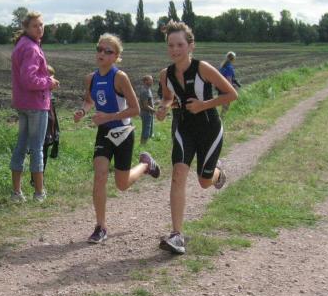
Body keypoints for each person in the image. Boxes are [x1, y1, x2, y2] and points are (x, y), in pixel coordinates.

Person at [155, 21, 237, 255]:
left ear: (191, 46)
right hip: (183, 128)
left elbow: (231, 94)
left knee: (204, 181)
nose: (174, 50)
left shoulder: (203, 68)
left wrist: (203, 105)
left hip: (209, 129)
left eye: (180, 45)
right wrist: (163, 107)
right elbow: (168, 97)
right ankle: (177, 235)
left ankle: (218, 174)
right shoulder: (165, 74)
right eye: (171, 45)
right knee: (178, 174)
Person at [74, 34, 160, 244]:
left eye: (108, 51)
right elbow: (89, 101)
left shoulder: (120, 77)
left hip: (123, 132)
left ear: (116, 56)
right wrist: (82, 111)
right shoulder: (91, 78)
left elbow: (136, 109)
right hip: (104, 133)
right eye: (99, 49)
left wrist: (108, 116)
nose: (101, 53)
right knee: (100, 175)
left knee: (122, 184)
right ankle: (100, 226)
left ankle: (145, 165)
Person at [9, 11, 59, 202]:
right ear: (26, 28)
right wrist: (49, 82)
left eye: (41, 25)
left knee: (21, 146)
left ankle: (16, 192)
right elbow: (29, 79)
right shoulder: (31, 48)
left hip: (22, 103)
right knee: (37, 148)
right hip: (36, 103)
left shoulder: (22, 44)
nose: (39, 28)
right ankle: (39, 193)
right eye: (35, 26)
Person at [139, 74, 156, 145]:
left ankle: (146, 145)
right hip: (146, 113)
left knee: (149, 130)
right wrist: (154, 111)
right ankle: (143, 145)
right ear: (145, 81)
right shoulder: (145, 91)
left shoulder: (148, 90)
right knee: (146, 130)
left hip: (149, 113)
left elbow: (149, 101)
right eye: (150, 80)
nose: (152, 81)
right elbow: (145, 105)